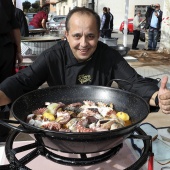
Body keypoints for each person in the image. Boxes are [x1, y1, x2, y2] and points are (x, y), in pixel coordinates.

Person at [0, 5, 170, 132]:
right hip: (61, 130)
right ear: (66, 35)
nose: (83, 44)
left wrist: (157, 97)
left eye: (90, 36)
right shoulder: (53, 56)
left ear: (98, 35)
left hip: (100, 127)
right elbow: (23, 81)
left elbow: (134, 82)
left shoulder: (109, 56)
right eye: (76, 36)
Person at [0, 0, 23, 141]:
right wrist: (19, 51)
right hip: (5, 47)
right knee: (4, 88)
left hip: (5, 46)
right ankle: (2, 132)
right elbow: (15, 28)